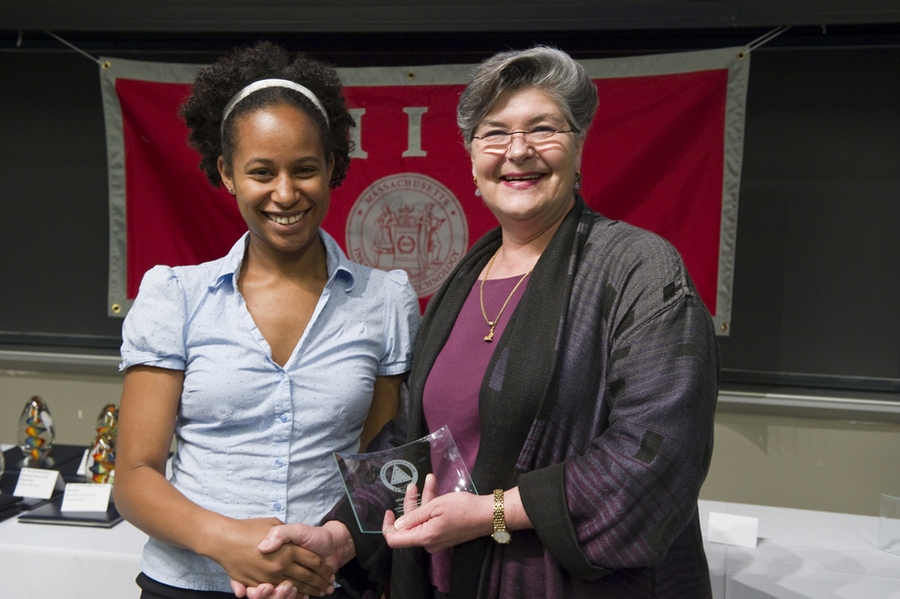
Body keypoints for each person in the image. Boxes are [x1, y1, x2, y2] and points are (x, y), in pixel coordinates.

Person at [245, 45, 719, 599]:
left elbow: (658, 453)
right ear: (472, 158)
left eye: (543, 129)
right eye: (494, 133)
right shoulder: (464, 279)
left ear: (579, 146)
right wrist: (340, 534)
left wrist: (494, 513)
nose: (517, 151)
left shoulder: (638, 270)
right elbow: (413, 439)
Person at [113, 41, 420, 599]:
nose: (285, 193)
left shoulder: (384, 300)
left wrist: (330, 549)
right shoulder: (176, 296)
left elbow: (381, 470)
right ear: (227, 173)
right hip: (190, 584)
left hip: (326, 582)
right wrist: (227, 541)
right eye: (261, 172)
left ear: (332, 167)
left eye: (304, 169)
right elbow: (134, 479)